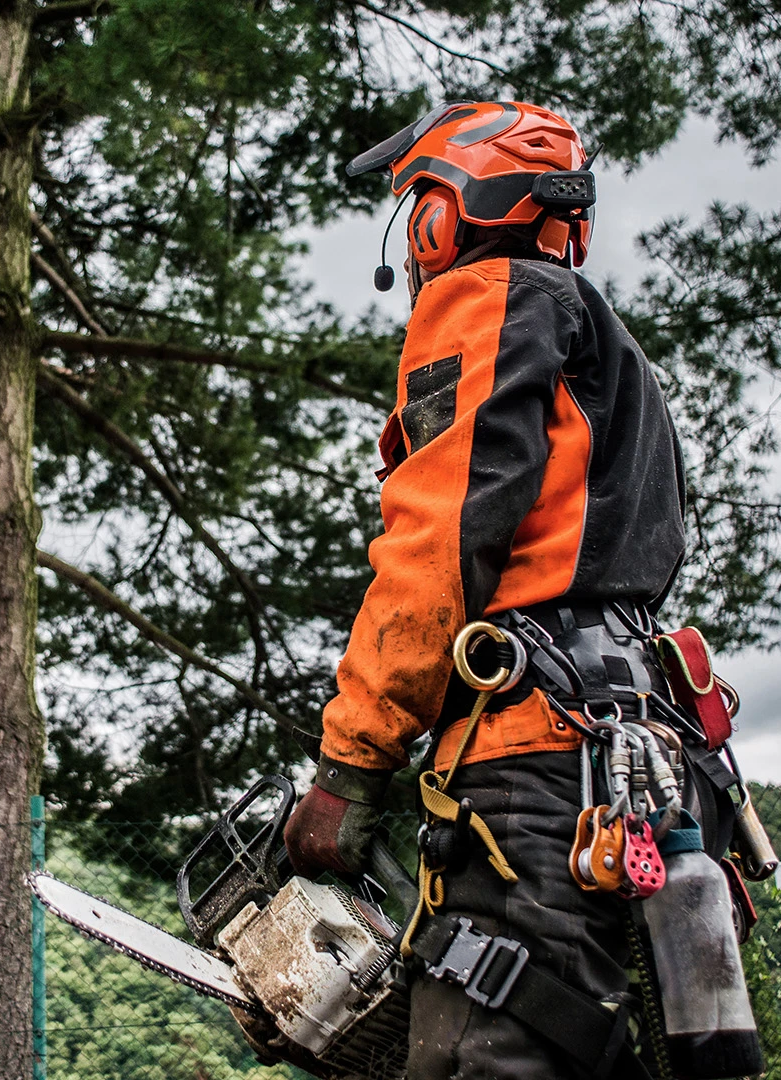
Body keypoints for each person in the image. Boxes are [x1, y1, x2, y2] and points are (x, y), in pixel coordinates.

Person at [284, 101, 691, 1080]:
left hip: (533, 762)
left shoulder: (487, 297)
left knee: (490, 1054)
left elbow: (436, 541)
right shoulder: (613, 358)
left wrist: (348, 766)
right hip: (634, 761)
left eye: (419, 212)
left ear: (443, 212)